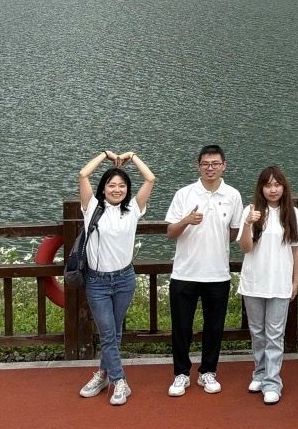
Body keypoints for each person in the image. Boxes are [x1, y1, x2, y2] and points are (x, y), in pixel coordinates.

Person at [77, 149, 155, 406]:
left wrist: (132, 157)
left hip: (124, 279)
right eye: (111, 185)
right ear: (103, 188)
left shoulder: (132, 209)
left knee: (114, 333)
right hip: (97, 281)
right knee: (108, 334)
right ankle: (119, 381)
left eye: (122, 185)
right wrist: (105, 156)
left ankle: (102, 374)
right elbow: (83, 174)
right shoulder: (92, 208)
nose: (117, 189)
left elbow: (150, 178)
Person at [164, 144, 244, 397]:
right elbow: (170, 232)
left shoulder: (232, 195)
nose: (210, 168)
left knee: (214, 327)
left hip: (217, 273)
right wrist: (186, 221)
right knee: (181, 327)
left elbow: (234, 231)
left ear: (224, 166)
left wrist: (214, 241)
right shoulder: (184, 194)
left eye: (215, 164)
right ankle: (181, 373)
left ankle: (208, 371)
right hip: (184, 273)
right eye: (206, 164)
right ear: (198, 166)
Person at [237, 165, 298, 405]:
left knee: (275, 334)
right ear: (261, 188)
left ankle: (272, 382)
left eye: (277, 185)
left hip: (279, 281)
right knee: (257, 333)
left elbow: (296, 249)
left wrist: (295, 280)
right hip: (254, 281)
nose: (273, 190)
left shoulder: (292, 214)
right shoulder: (251, 211)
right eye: (268, 185)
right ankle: (259, 373)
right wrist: (247, 223)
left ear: (283, 187)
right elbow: (245, 248)